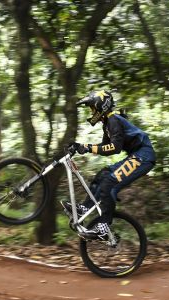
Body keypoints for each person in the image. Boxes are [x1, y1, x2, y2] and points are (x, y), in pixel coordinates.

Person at [66, 90, 156, 239]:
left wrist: (88, 147)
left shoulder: (113, 120)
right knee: (103, 175)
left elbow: (115, 147)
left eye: (92, 108)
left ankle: (104, 225)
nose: (91, 111)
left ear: (101, 106)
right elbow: (105, 148)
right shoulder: (108, 123)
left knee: (109, 183)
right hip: (136, 155)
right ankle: (84, 208)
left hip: (143, 156)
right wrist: (82, 146)